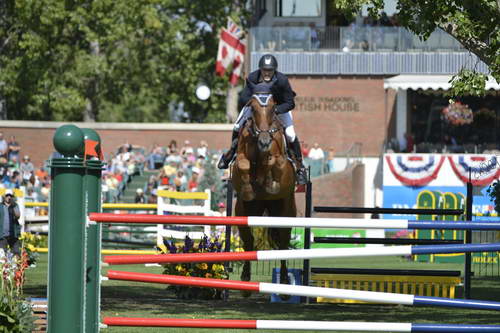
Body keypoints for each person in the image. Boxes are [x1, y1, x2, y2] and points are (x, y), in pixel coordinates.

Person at [217, 54, 308, 185]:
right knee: (237, 126)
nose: (267, 73)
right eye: (264, 70)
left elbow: (290, 103)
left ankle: (299, 166)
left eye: (270, 70)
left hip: (279, 109)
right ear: (260, 69)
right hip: (257, 109)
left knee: (290, 134)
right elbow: (243, 98)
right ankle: (230, 154)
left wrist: (274, 110)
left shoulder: (282, 80)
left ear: (274, 70)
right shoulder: (253, 78)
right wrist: (257, 106)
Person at [0, 189, 22, 257]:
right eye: (7, 195)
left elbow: (18, 216)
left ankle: (16, 267)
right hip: (2, 235)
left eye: (10, 196)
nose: (9, 197)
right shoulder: (0, 206)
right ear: (4, 196)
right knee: (2, 255)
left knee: (16, 254)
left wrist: (13, 205)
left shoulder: (15, 205)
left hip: (14, 234)